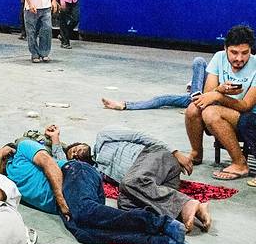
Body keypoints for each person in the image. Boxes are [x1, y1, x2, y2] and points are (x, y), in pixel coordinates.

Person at [0, 135, 194, 244]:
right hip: (70, 198)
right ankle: (163, 241)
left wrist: (59, 197)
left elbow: (49, 163)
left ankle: (161, 223)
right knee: (84, 233)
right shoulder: (4, 182)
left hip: (73, 174)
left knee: (85, 211)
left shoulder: (22, 149)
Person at [82, 128, 211, 232]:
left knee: (129, 182)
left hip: (156, 157)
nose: (75, 152)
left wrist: (175, 152)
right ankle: (195, 211)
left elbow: (140, 136)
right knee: (125, 203)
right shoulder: (97, 170)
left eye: (74, 148)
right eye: (73, 155)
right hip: (157, 184)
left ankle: (187, 204)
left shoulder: (103, 137)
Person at [185, 25, 256, 180]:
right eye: (234, 52)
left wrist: (218, 96)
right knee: (193, 108)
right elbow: (208, 94)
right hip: (225, 110)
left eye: (245, 53)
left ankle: (240, 163)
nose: (239, 58)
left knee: (210, 112)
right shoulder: (219, 57)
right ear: (225, 48)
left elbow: (246, 106)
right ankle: (196, 153)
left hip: (248, 119)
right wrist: (220, 89)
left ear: (251, 50)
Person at [102, 57, 208, 111]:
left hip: (207, 98)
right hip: (197, 97)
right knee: (161, 99)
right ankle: (124, 105)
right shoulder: (215, 62)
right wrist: (192, 85)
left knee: (199, 60)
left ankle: (196, 103)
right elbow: (201, 76)